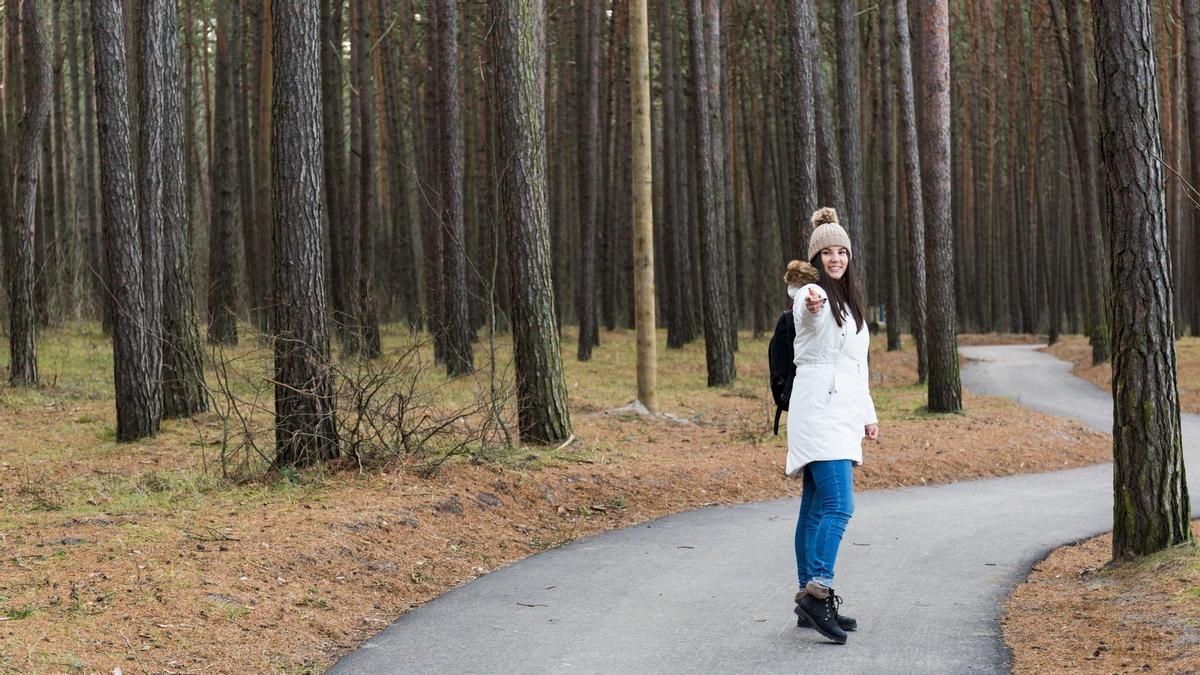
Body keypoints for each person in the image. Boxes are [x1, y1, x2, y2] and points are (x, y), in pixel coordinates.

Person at [786, 207, 879, 645]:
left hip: (842, 412)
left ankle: (808, 598)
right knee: (840, 505)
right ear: (816, 258)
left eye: (842, 251)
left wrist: (868, 415)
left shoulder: (851, 303)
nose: (836, 258)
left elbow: (856, 366)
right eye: (828, 252)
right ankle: (818, 590)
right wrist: (810, 301)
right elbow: (808, 313)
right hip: (818, 411)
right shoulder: (812, 295)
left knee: (814, 507)